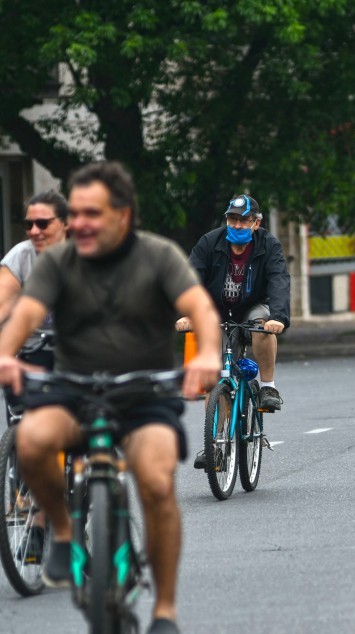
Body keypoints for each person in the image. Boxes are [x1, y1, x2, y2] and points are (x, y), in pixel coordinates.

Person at [0, 161, 221, 634]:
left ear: (123, 214)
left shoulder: (158, 256)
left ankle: (164, 610)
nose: (78, 223)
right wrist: (5, 352)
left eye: (91, 213)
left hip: (143, 394)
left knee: (158, 481)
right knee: (30, 440)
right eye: (74, 213)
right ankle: (61, 530)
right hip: (73, 390)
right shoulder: (59, 261)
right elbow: (26, 312)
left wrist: (207, 353)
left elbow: (199, 306)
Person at [176, 194, 290, 415]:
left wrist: (278, 318)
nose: (237, 225)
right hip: (217, 311)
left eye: (243, 220)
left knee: (262, 327)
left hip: (253, 307)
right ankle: (217, 444)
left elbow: (279, 280)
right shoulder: (210, 242)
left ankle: (268, 387)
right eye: (232, 219)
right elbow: (190, 279)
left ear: (256, 223)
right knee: (215, 380)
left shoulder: (268, 245)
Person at [0, 190, 69, 326]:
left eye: (42, 224)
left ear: (65, 223)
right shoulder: (20, 255)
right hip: (31, 342)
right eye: (28, 225)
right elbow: (2, 304)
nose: (34, 231)